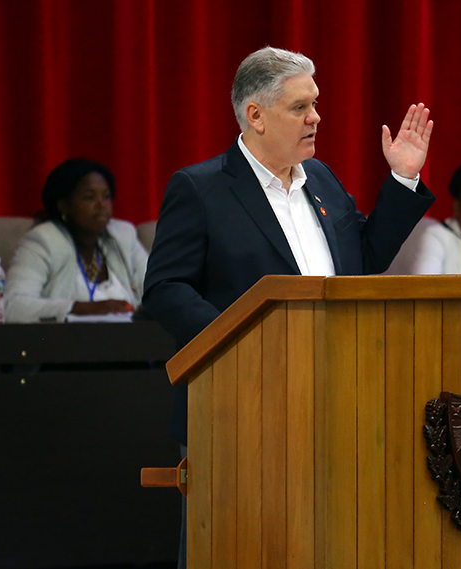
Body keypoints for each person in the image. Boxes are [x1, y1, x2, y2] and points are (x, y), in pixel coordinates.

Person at [141, 46, 435, 568]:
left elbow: (361, 262)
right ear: (255, 115)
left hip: (333, 400)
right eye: (300, 107)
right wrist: (242, 342)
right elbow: (165, 288)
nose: (316, 117)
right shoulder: (201, 188)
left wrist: (402, 180)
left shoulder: (319, 179)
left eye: (315, 104)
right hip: (237, 408)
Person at [5, 158, 148, 323]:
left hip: (130, 341)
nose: (102, 205)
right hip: (66, 343)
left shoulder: (123, 235)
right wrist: (82, 308)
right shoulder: (44, 240)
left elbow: (158, 291)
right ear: (63, 205)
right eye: (89, 197)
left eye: (107, 196)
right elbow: (13, 307)